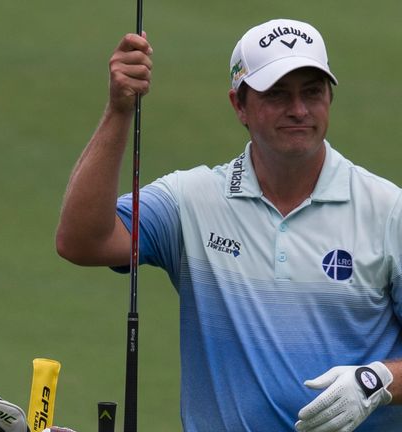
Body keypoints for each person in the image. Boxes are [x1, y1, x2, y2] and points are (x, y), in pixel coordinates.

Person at [56, 18, 402, 431]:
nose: (299, 109)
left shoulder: (388, 210)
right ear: (239, 105)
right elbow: (82, 241)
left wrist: (377, 382)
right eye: (277, 94)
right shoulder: (192, 201)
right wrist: (118, 110)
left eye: (312, 92)